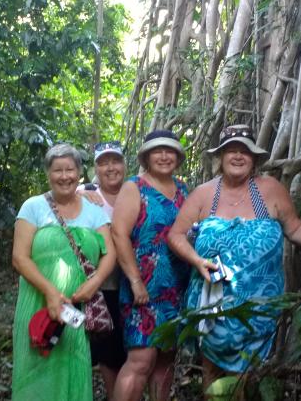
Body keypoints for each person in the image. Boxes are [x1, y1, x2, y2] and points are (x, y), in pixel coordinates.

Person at [167, 124, 301, 392]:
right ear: (221, 157)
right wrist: (197, 260)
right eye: (231, 150)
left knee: (249, 372)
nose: (238, 156)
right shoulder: (204, 193)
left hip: (260, 304)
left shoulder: (270, 189)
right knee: (211, 370)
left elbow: (294, 227)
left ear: (254, 158)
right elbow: (176, 235)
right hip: (214, 298)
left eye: (245, 150)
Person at [11, 143, 117, 401]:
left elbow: (110, 253)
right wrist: (50, 292)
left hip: (76, 308)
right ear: (48, 174)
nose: (64, 176)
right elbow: (19, 257)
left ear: (80, 173)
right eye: (57, 170)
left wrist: (96, 282)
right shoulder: (33, 207)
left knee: (73, 364)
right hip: (37, 302)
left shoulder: (94, 211)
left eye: (70, 169)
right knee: (35, 369)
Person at [111, 130, 191, 401]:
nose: (164, 156)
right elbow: (119, 234)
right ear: (146, 156)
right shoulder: (135, 187)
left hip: (176, 288)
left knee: (166, 360)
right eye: (158, 151)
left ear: (178, 157)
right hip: (143, 288)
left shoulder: (183, 190)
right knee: (140, 360)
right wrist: (134, 280)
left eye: (170, 151)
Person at [77, 141, 128, 399]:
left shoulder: (135, 192)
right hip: (99, 284)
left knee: (125, 349)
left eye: (115, 161)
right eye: (104, 162)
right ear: (95, 167)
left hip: (132, 283)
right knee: (106, 351)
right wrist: (80, 194)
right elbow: (56, 202)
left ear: (124, 165)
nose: (110, 168)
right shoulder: (85, 192)